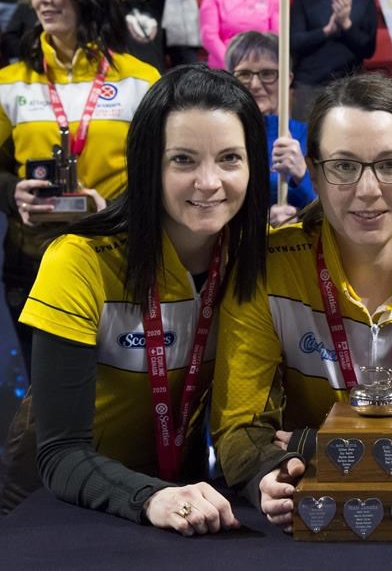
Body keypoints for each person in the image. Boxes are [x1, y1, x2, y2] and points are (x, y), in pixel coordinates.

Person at [0, 64, 271, 529]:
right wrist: (152, 497)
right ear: (148, 165)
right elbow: (60, 452)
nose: (209, 182)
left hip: (184, 505)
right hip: (58, 506)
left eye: (230, 158)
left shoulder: (257, 257)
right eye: (183, 160)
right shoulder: (79, 260)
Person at [211, 73, 392, 529]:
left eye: (390, 165)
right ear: (313, 172)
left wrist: (318, 445)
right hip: (314, 513)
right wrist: (264, 476)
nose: (368, 190)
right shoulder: (269, 265)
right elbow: (241, 428)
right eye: (344, 166)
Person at [0, 0, 160, 369]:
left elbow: (160, 172)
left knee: (116, 389)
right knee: (47, 396)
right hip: (33, 260)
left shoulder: (141, 80)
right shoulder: (9, 83)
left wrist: (115, 210)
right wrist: (12, 192)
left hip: (118, 256)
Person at [225, 31, 316, 227]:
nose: (255, 85)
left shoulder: (308, 136)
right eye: (244, 74)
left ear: (288, 78)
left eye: (267, 74)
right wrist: (260, 223)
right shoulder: (220, 139)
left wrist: (302, 174)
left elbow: (331, 213)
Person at [289, 0, 376, 121]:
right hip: (309, 86)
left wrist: (346, 24)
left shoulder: (365, 1)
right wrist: (326, 31)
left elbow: (368, 49)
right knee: (306, 136)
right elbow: (294, 42)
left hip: (350, 86)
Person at [198, 0, 279, 69]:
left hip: (261, 65)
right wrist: (231, 62)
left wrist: (260, 62)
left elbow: (275, 35)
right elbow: (208, 35)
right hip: (223, 67)